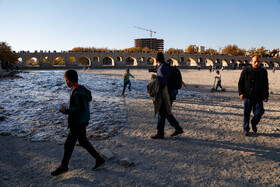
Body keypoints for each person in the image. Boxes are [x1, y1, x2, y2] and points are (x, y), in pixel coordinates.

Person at [51, 69, 105, 176]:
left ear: (68, 80)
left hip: (78, 122)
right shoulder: (82, 89)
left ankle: (64, 166)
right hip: (83, 120)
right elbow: (80, 106)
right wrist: (67, 108)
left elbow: (78, 108)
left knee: (69, 144)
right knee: (83, 141)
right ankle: (99, 159)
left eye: (66, 80)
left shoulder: (77, 92)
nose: (66, 83)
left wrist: (66, 111)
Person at [150, 52, 183, 139]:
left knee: (161, 112)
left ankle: (160, 133)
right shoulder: (166, 65)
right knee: (167, 112)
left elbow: (163, 82)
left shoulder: (161, 68)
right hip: (172, 92)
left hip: (166, 93)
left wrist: (154, 86)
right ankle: (178, 128)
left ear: (156, 60)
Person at [238, 54, 269, 136]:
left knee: (260, 112)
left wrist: (266, 95)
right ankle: (246, 129)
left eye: (258, 61)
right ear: (251, 61)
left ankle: (254, 122)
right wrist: (241, 93)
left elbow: (266, 84)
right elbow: (240, 83)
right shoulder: (246, 70)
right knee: (246, 114)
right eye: (255, 61)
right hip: (248, 95)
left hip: (258, 96)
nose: (257, 63)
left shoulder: (263, 72)